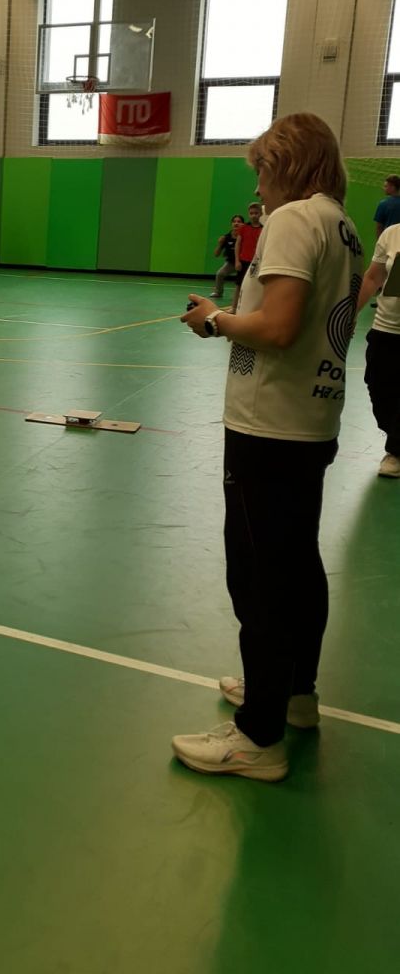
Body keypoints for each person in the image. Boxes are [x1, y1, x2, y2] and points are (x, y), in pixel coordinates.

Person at [175, 113, 363, 782]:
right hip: (309, 421)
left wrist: (215, 319)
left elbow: (279, 327)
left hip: (270, 426)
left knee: (258, 578)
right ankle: (294, 694)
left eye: (262, 171)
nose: (258, 188)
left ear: (286, 166)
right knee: (296, 566)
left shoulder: (294, 219)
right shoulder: (342, 224)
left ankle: (258, 735)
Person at [356, 222, 400, 478]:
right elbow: (373, 277)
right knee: (378, 387)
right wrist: (350, 314)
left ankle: (396, 450)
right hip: (386, 328)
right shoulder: (392, 234)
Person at [233, 201, 264, 305]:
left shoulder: (263, 229)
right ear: (248, 214)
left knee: (254, 286)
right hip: (243, 261)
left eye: (256, 213)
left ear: (261, 214)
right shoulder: (243, 228)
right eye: (251, 213)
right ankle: (234, 306)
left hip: (256, 263)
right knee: (239, 285)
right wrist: (237, 261)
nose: (253, 215)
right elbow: (238, 244)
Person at [210, 215, 244, 299]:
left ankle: (243, 295)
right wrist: (220, 244)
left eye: (239, 221)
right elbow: (216, 254)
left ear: (243, 224)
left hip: (244, 263)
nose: (236, 223)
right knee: (220, 274)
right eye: (234, 221)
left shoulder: (245, 236)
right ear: (231, 224)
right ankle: (218, 292)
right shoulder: (226, 237)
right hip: (231, 263)